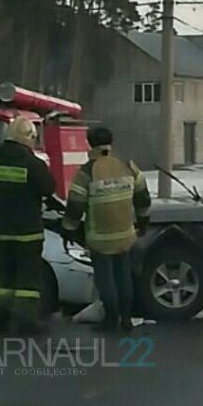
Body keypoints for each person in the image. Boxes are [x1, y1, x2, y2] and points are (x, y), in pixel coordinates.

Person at [62, 125, 151, 332]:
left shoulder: (87, 172)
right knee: (124, 277)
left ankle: (111, 319)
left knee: (106, 280)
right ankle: (126, 318)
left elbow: (75, 206)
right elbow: (143, 197)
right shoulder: (127, 166)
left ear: (89, 143)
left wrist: (68, 230)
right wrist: (143, 222)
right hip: (126, 235)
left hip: (100, 238)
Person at [0, 116, 56, 335]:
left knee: (1, 282)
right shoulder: (33, 164)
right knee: (27, 285)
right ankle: (25, 324)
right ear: (28, 138)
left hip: (0, 232)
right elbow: (49, 188)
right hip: (28, 233)